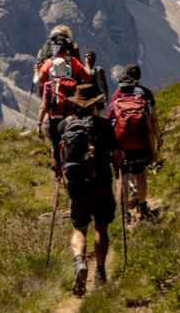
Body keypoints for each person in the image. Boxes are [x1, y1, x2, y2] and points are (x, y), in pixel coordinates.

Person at [57, 83, 122, 296]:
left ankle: (79, 262)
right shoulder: (103, 125)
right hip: (101, 183)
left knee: (79, 228)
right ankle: (101, 272)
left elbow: (57, 158)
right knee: (101, 228)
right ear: (94, 104)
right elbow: (117, 154)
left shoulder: (64, 125)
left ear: (75, 104)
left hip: (77, 185)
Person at [106, 64, 161, 222]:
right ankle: (143, 205)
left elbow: (110, 129)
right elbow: (150, 126)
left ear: (121, 90)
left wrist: (112, 149)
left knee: (121, 178)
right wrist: (154, 148)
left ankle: (124, 213)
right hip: (140, 146)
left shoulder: (114, 104)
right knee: (140, 175)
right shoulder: (143, 99)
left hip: (121, 147)